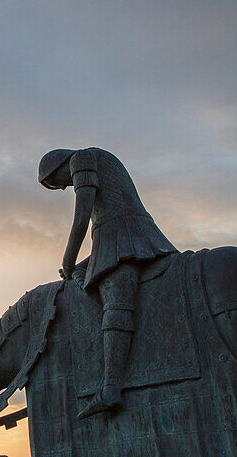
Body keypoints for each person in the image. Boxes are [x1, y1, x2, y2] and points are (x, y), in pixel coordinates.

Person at [38, 147, 177, 415]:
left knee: (116, 305)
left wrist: (67, 262)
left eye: (59, 183)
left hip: (123, 234)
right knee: (83, 271)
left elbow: (81, 218)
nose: (66, 187)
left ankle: (110, 387)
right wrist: (75, 269)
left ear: (59, 167)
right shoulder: (96, 158)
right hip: (114, 235)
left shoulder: (82, 159)